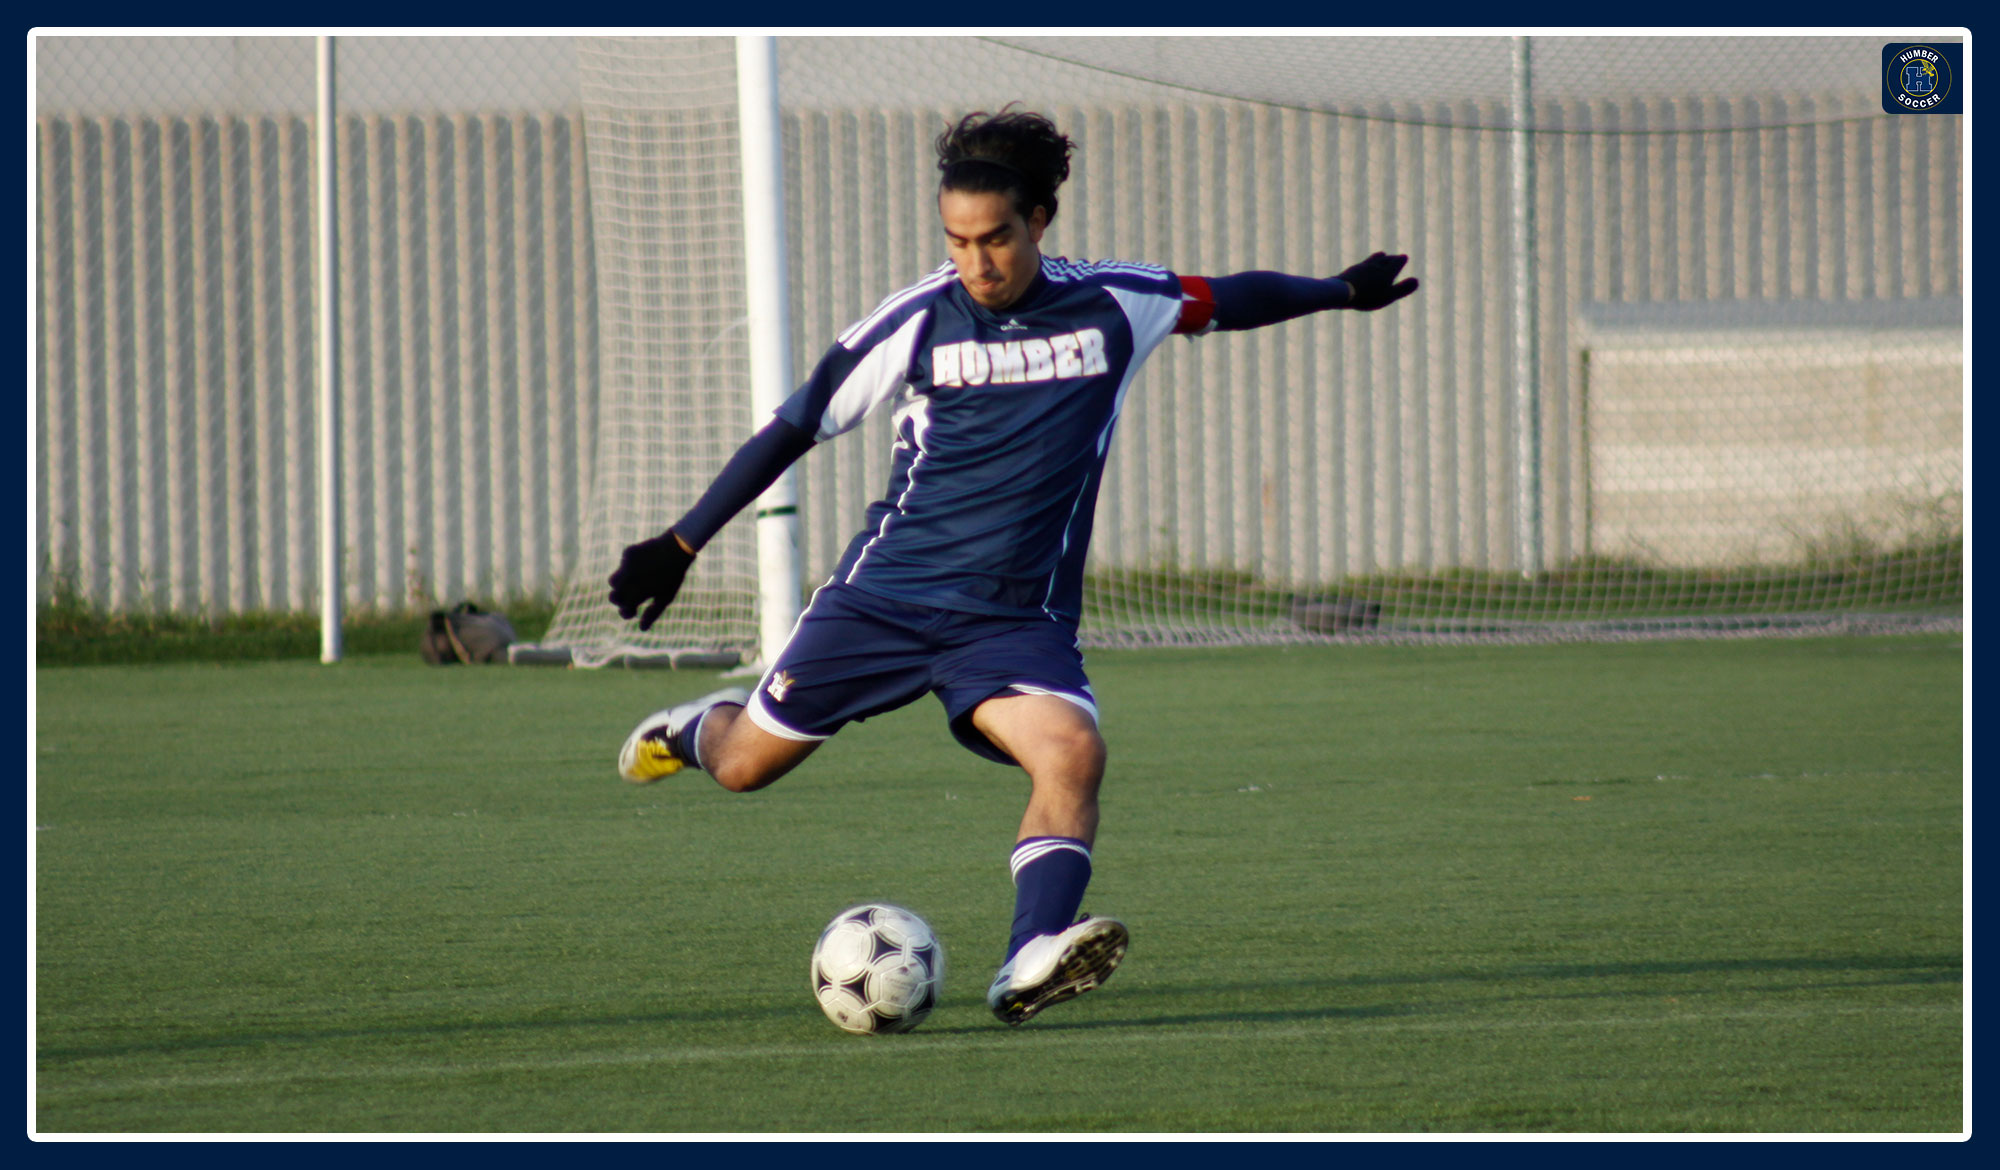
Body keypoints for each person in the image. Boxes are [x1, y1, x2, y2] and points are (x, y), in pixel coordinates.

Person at [607, 106, 1418, 1026]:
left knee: (1072, 751)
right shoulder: (917, 322)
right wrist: (682, 543)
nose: (976, 263)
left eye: (994, 239)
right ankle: (690, 732)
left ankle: (1028, 955)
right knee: (749, 764)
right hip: (885, 599)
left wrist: (1338, 291)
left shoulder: (1116, 303)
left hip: (1013, 622)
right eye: (956, 242)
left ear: (1040, 220)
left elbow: (1228, 296)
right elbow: (797, 424)